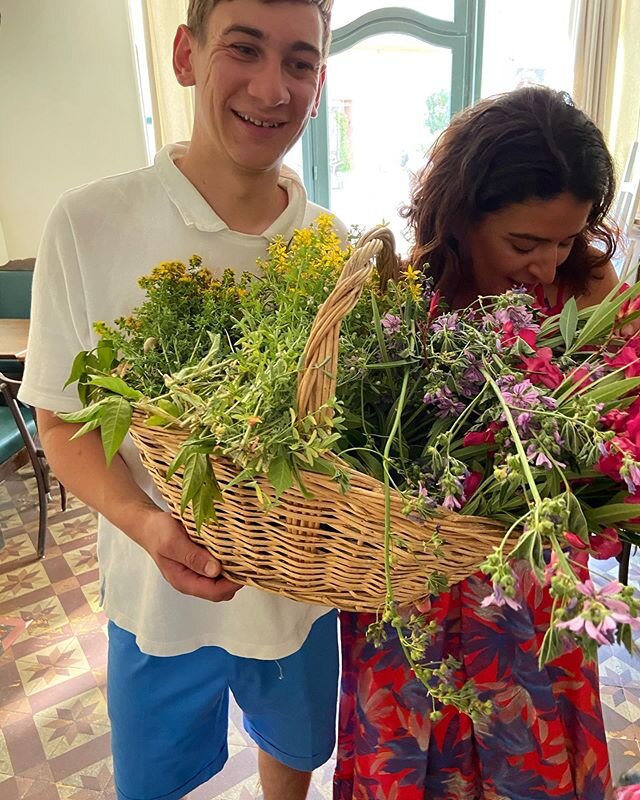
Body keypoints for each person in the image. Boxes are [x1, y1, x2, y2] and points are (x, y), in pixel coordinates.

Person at [19, 2, 343, 799]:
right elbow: (61, 421)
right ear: (185, 54)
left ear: (320, 81)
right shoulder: (88, 223)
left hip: (292, 601)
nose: (272, 88)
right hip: (152, 596)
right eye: (245, 48)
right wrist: (148, 525)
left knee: (295, 755)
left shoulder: (332, 247)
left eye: (299, 62)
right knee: (153, 783)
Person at [334, 86, 629, 800]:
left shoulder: (586, 286)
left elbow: (617, 420)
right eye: (525, 243)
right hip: (413, 585)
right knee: (412, 759)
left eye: (566, 239)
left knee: (529, 750)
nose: (547, 266)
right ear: (462, 217)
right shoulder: (404, 293)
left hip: (528, 589)